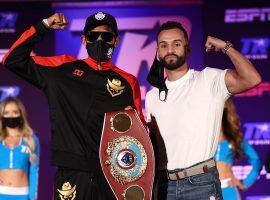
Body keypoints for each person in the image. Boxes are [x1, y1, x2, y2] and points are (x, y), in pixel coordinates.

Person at [2, 12, 144, 199]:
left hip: (113, 176)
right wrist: (44, 25)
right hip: (72, 174)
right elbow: (12, 59)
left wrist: (134, 126)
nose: (99, 41)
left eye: (107, 36)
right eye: (93, 36)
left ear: (116, 41)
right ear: (84, 40)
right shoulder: (62, 68)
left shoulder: (128, 82)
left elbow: (140, 137)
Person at [145, 21, 261, 200]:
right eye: (163, 45)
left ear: (187, 47)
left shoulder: (209, 79)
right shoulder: (152, 97)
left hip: (201, 184)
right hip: (164, 186)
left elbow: (251, 79)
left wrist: (225, 47)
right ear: (158, 52)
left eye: (176, 44)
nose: (170, 49)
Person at [214, 98, 262, 200]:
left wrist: (244, 183)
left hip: (228, 190)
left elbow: (257, 161)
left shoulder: (234, 138)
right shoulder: (203, 138)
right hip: (206, 190)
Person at [0, 98, 40, 200]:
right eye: (6, 113)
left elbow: (34, 170)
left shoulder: (31, 140)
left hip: (22, 195)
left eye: (15, 112)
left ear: (21, 114)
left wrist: (32, 196)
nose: (11, 116)